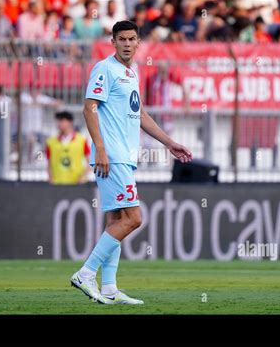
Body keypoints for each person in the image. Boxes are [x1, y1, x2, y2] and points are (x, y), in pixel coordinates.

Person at [70, 20, 193, 304]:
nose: (127, 44)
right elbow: (89, 108)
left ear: (138, 43)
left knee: (116, 219)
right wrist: (100, 148)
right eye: (121, 39)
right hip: (111, 157)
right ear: (113, 42)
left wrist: (169, 142)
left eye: (132, 39)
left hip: (124, 156)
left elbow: (140, 114)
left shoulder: (132, 73)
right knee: (134, 218)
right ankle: (86, 273)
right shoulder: (104, 69)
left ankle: (110, 288)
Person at [45, 111, 91, 184]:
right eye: (58, 121)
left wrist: (83, 177)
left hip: (76, 183)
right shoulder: (50, 142)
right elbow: (48, 164)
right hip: (57, 183)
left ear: (70, 122)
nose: (59, 124)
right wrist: (51, 179)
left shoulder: (82, 140)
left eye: (62, 120)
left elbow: (90, 162)